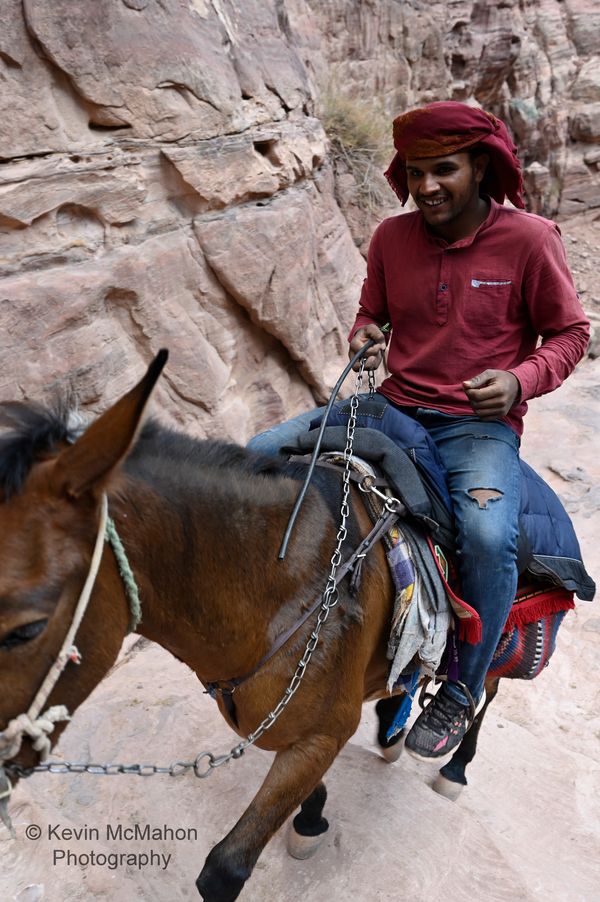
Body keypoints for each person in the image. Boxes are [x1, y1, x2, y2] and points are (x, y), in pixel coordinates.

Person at [249, 101, 590, 759]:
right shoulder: (390, 238)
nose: (427, 186)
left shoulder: (530, 239)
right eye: (414, 173)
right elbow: (370, 313)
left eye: (444, 170)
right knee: (258, 452)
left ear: (480, 167)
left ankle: (460, 690)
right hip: (392, 407)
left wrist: (520, 380)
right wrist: (366, 339)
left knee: (490, 534)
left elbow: (572, 333)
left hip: (476, 429)